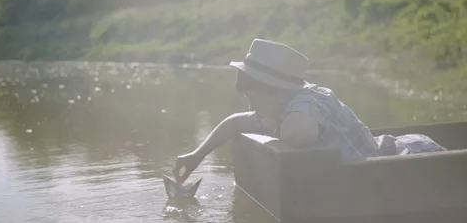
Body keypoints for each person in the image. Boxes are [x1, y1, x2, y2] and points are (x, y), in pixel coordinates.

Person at [172, 38, 447, 184]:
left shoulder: (308, 103)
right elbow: (233, 123)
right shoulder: (277, 108)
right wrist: (197, 155)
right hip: (375, 168)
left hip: (406, 161)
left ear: (275, 90)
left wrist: (276, 128)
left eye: (252, 98)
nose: (250, 107)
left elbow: (300, 135)